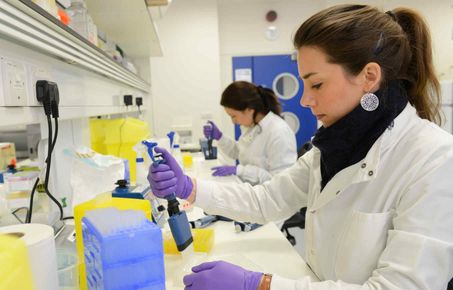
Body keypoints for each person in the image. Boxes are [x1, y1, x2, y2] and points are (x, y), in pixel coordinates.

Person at [148, 4, 453, 290]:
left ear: (369, 77)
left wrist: (260, 284)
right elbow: (265, 200)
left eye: (316, 84)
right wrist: (189, 187)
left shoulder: (434, 159)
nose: (305, 100)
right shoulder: (332, 146)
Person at [203, 81, 297, 185]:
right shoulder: (252, 126)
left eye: (233, 116)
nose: (233, 122)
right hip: (253, 191)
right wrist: (219, 137)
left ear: (249, 110)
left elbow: (280, 181)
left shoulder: (278, 131)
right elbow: (239, 152)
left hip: (271, 198)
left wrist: (240, 171)